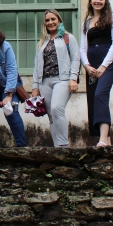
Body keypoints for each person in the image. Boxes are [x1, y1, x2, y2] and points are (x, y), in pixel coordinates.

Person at [80, 0, 113, 147]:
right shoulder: (85, 23)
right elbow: (82, 48)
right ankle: (108, 140)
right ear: (91, 1)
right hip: (92, 65)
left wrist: (104, 66)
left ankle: (103, 140)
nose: (98, 1)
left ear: (105, 1)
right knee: (94, 99)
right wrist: (87, 66)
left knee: (100, 94)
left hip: (109, 63)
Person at [31, 10, 80, 148]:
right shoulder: (42, 42)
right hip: (44, 81)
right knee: (51, 116)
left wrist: (73, 78)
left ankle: (63, 146)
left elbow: (76, 59)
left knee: (57, 108)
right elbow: (36, 65)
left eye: (53, 19)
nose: (50, 22)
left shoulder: (68, 38)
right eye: (47, 20)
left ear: (59, 20)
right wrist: (35, 87)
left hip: (63, 79)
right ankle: (56, 147)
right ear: (44, 24)